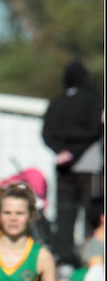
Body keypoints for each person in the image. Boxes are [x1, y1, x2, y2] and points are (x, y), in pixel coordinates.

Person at [41, 60, 104, 268]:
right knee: (90, 213)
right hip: (88, 167)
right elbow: (95, 129)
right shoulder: (93, 99)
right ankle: (91, 258)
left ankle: (65, 259)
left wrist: (62, 152)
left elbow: (46, 134)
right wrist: (75, 153)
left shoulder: (56, 102)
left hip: (64, 168)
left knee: (65, 214)